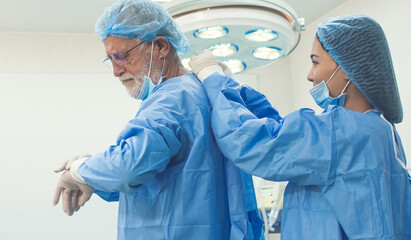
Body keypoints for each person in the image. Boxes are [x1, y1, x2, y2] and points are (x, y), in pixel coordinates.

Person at [52, 0, 264, 239]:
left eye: (121, 56)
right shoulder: (205, 93)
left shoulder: (173, 100)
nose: (116, 70)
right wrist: (92, 177)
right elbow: (155, 177)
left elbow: (129, 166)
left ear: (161, 46)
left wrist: (80, 170)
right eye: (110, 59)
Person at [189, 14, 411, 239]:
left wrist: (212, 79)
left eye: (315, 62)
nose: (310, 75)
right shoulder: (382, 131)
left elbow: (250, 141)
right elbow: (283, 131)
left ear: (347, 67)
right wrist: (233, 87)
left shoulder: (337, 132)